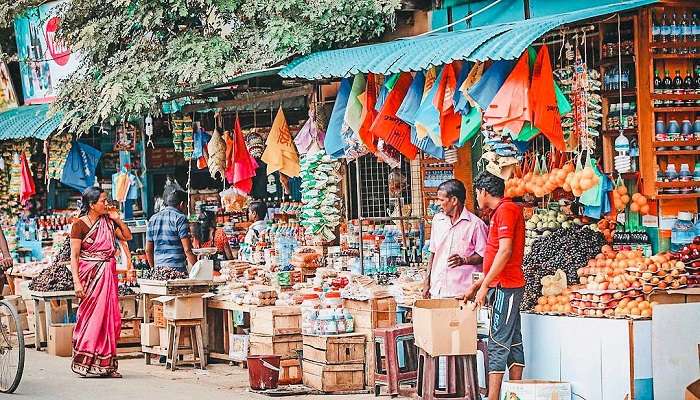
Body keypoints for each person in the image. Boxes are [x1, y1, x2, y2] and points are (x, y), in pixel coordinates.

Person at [463, 171, 526, 400]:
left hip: (506, 286)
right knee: (513, 339)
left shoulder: (506, 210)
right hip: (502, 284)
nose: (477, 198)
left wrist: (485, 286)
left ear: (483, 191)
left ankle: (493, 397)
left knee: (498, 341)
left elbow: (505, 251)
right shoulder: (501, 211)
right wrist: (478, 285)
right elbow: (496, 256)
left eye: (477, 192)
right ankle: (516, 392)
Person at [70, 187, 133, 377]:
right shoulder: (79, 225)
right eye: (103, 201)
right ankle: (85, 360)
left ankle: (107, 365)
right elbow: (74, 256)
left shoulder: (108, 222)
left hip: (108, 274)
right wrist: (76, 283)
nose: (107, 204)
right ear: (92, 205)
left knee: (110, 319)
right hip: (89, 276)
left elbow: (128, 236)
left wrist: (116, 218)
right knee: (91, 318)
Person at [422, 179, 487, 299]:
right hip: (438, 290)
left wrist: (464, 260)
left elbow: (484, 256)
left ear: (454, 200)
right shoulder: (437, 220)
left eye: (441, 200)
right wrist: (427, 282)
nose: (437, 203)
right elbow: (433, 253)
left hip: (462, 294)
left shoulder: (476, 225)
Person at [146, 189, 196, 273]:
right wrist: (197, 267)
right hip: (177, 271)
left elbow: (148, 250)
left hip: (159, 271)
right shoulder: (180, 218)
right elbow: (187, 249)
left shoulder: (152, 219)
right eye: (186, 205)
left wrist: (153, 269)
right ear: (182, 204)